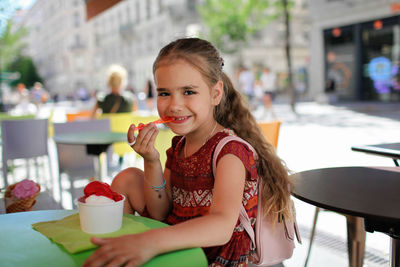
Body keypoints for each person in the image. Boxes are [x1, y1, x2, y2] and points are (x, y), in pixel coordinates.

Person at [83, 38, 293, 267]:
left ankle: (128, 250)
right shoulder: (179, 146)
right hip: (179, 239)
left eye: (188, 92)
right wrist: (152, 161)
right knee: (127, 178)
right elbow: (160, 212)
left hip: (215, 257)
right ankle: (115, 253)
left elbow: (222, 226)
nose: (174, 105)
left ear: (215, 94)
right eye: (164, 93)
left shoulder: (231, 152)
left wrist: (148, 241)